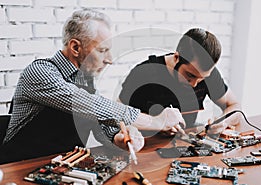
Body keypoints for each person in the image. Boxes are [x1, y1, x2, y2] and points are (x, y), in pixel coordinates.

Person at [0, 9, 185, 164]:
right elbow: (88, 104)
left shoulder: (85, 79)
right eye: (103, 50)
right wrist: (155, 121)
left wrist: (118, 138)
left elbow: (100, 120)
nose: (110, 60)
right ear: (75, 48)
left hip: (63, 165)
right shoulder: (39, 72)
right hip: (18, 167)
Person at [119, 28, 241, 136]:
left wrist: (223, 122)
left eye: (202, 79)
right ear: (176, 57)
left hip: (183, 144)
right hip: (144, 145)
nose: (194, 84)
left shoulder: (207, 73)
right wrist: (156, 124)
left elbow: (235, 106)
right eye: (190, 75)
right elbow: (118, 115)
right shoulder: (144, 73)